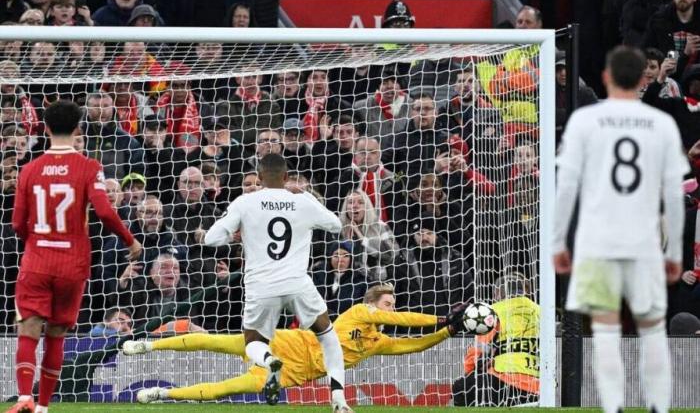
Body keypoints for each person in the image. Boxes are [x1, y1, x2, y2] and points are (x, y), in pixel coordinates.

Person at [553, 46, 688, 413]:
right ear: (643, 77)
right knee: (652, 329)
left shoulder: (585, 121)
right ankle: (658, 406)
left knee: (607, 331)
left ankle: (613, 407)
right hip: (643, 241)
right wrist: (674, 251)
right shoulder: (660, 124)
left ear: (607, 78)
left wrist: (558, 242)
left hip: (597, 241)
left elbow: (565, 187)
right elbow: (674, 195)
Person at [8, 100, 142, 413]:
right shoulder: (89, 167)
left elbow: (16, 223)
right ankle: (43, 407)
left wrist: (37, 244)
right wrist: (130, 240)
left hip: (37, 262)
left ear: (45, 128)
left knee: (28, 330)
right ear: (79, 128)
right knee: (56, 335)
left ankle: (25, 398)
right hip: (72, 264)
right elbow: (106, 212)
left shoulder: (29, 169)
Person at [124, 284, 468, 405]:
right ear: (375, 304)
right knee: (219, 342)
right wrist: (440, 318)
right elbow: (404, 321)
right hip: (289, 344)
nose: (391, 309)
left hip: (294, 374)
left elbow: (413, 345)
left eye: (393, 304)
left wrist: (447, 333)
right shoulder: (360, 311)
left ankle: (163, 395)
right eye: (388, 304)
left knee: (223, 390)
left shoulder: (376, 342)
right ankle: (149, 345)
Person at [199, 153, 352, 412]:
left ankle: (270, 360)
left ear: (258, 178)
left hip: (261, 286)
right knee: (327, 335)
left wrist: (237, 236)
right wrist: (306, 197)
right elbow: (336, 225)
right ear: (286, 177)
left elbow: (211, 239)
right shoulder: (301, 200)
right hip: (297, 283)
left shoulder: (245, 202)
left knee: (253, 344)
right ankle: (339, 399)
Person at [451, 273, 539, 406]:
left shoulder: (493, 311)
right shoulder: (542, 311)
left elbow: (476, 355)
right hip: (537, 388)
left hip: (500, 384)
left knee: (461, 387)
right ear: (527, 290)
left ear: (497, 293)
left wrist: (470, 373)